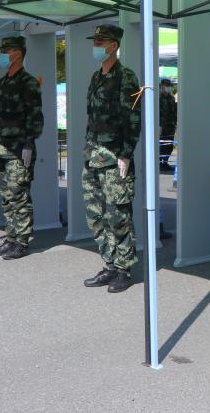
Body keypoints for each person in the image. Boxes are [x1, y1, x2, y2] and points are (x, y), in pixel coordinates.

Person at [81, 24, 141, 294]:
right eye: (95, 42)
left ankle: (123, 269)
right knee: (96, 215)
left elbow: (133, 119)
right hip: (93, 155)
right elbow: (91, 117)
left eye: (100, 42)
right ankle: (109, 264)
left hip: (114, 156)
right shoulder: (97, 76)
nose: (96, 46)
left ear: (113, 45)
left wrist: (126, 154)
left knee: (118, 216)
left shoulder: (126, 78)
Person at [0, 36, 44, 260]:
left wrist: (29, 144)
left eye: (7, 51)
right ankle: (10, 238)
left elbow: (35, 117)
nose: (2, 55)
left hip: (19, 149)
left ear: (18, 53)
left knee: (19, 196)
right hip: (1, 148)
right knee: (6, 197)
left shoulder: (28, 82)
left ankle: (21, 241)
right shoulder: (2, 82)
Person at [158, 78, 177, 172]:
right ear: (162, 86)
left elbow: (174, 112)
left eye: (169, 86)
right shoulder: (157, 98)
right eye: (167, 86)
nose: (168, 88)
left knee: (169, 145)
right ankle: (159, 163)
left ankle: (165, 163)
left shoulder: (172, 98)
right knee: (161, 145)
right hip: (161, 126)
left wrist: (175, 123)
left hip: (170, 125)